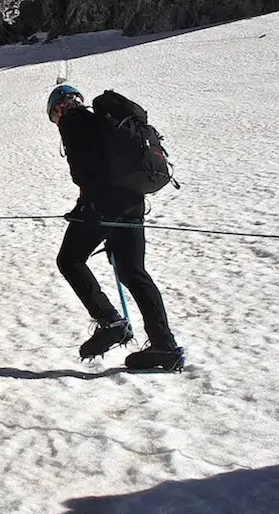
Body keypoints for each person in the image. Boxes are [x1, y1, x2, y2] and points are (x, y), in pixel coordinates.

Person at [47, 84, 185, 371]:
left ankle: (110, 320)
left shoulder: (74, 121)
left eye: (54, 116)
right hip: (132, 201)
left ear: (60, 107)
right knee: (133, 272)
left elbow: (88, 169)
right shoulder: (105, 122)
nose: (57, 121)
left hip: (104, 205)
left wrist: (89, 207)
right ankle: (164, 344)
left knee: (70, 260)